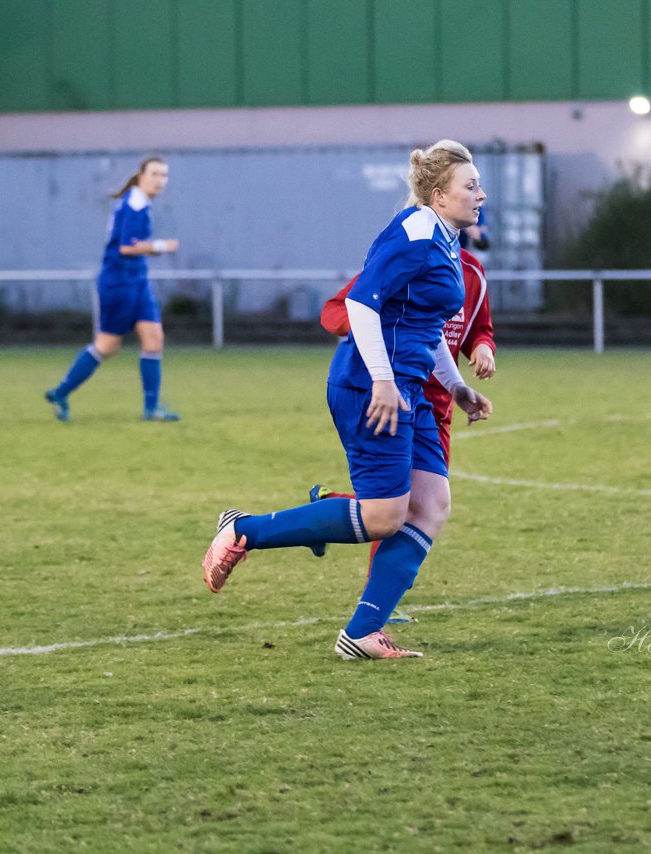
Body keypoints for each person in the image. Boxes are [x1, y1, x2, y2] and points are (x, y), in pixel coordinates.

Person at [201, 140, 493, 660]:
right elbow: (359, 303)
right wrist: (382, 379)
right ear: (438, 194)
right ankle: (243, 529)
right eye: (470, 186)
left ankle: (361, 633)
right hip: (369, 385)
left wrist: (456, 387)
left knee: (430, 506)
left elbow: (423, 327)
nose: (481, 195)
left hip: (409, 387)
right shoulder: (414, 231)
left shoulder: (446, 239)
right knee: (384, 517)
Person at [307, 247, 497, 584]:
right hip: (396, 396)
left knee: (417, 503)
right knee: (400, 501)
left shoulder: (471, 272)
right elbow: (336, 310)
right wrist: (373, 324)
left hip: (439, 407)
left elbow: (478, 326)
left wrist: (482, 346)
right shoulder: (406, 258)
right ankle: (378, 597)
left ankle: (323, 509)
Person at [45, 156, 180, 422]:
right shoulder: (134, 204)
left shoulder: (140, 202)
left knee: (154, 338)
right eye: (155, 174)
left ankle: (151, 409)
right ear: (141, 175)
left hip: (137, 281)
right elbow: (127, 247)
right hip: (118, 283)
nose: (160, 180)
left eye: (164, 175)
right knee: (108, 345)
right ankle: (61, 392)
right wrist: (161, 246)